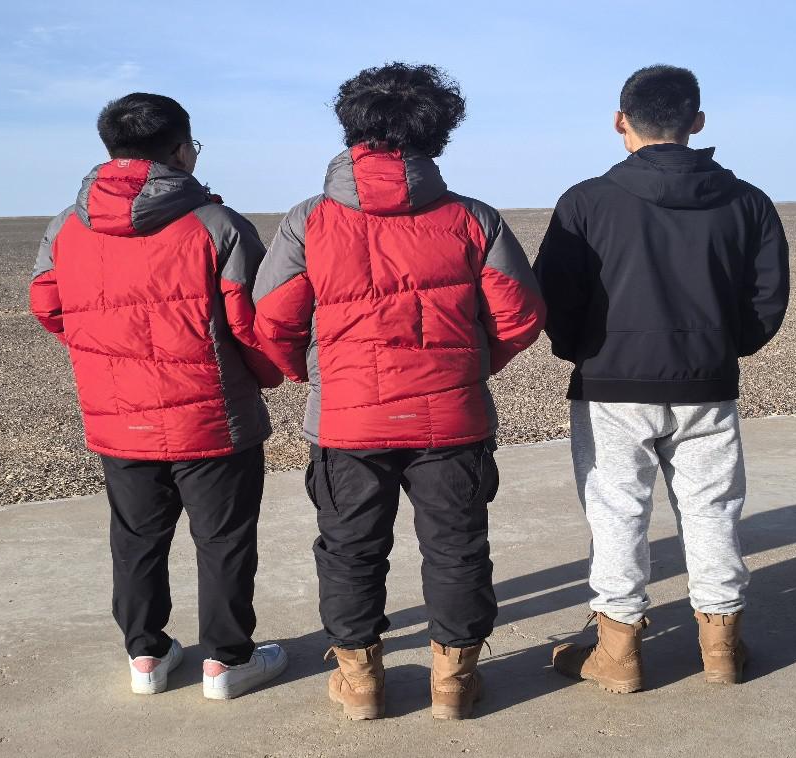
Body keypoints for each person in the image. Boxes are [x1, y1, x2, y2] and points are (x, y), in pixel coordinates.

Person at [252, 63, 545, 720]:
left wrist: (315, 374)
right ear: (436, 133)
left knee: (350, 549)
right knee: (456, 547)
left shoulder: (308, 220)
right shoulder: (472, 218)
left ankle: (360, 683)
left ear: (351, 128)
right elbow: (520, 315)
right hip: (452, 418)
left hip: (347, 423)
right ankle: (454, 682)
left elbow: (271, 318)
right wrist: (469, 366)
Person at [534, 65, 789, 692]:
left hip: (611, 386)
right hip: (706, 382)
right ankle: (721, 646)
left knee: (617, 513)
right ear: (696, 122)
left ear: (620, 122)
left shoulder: (585, 202)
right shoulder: (747, 201)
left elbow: (554, 298)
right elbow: (766, 298)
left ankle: (618, 651)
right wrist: (722, 347)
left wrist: (581, 351)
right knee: (712, 510)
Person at [28, 93, 287, 699]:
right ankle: (227, 661)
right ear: (180, 150)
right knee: (223, 540)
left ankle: (145, 655)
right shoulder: (217, 225)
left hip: (119, 415)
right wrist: (265, 377)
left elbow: (47, 304)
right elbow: (253, 325)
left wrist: (105, 354)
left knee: (136, 538)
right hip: (213, 416)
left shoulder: (67, 225)